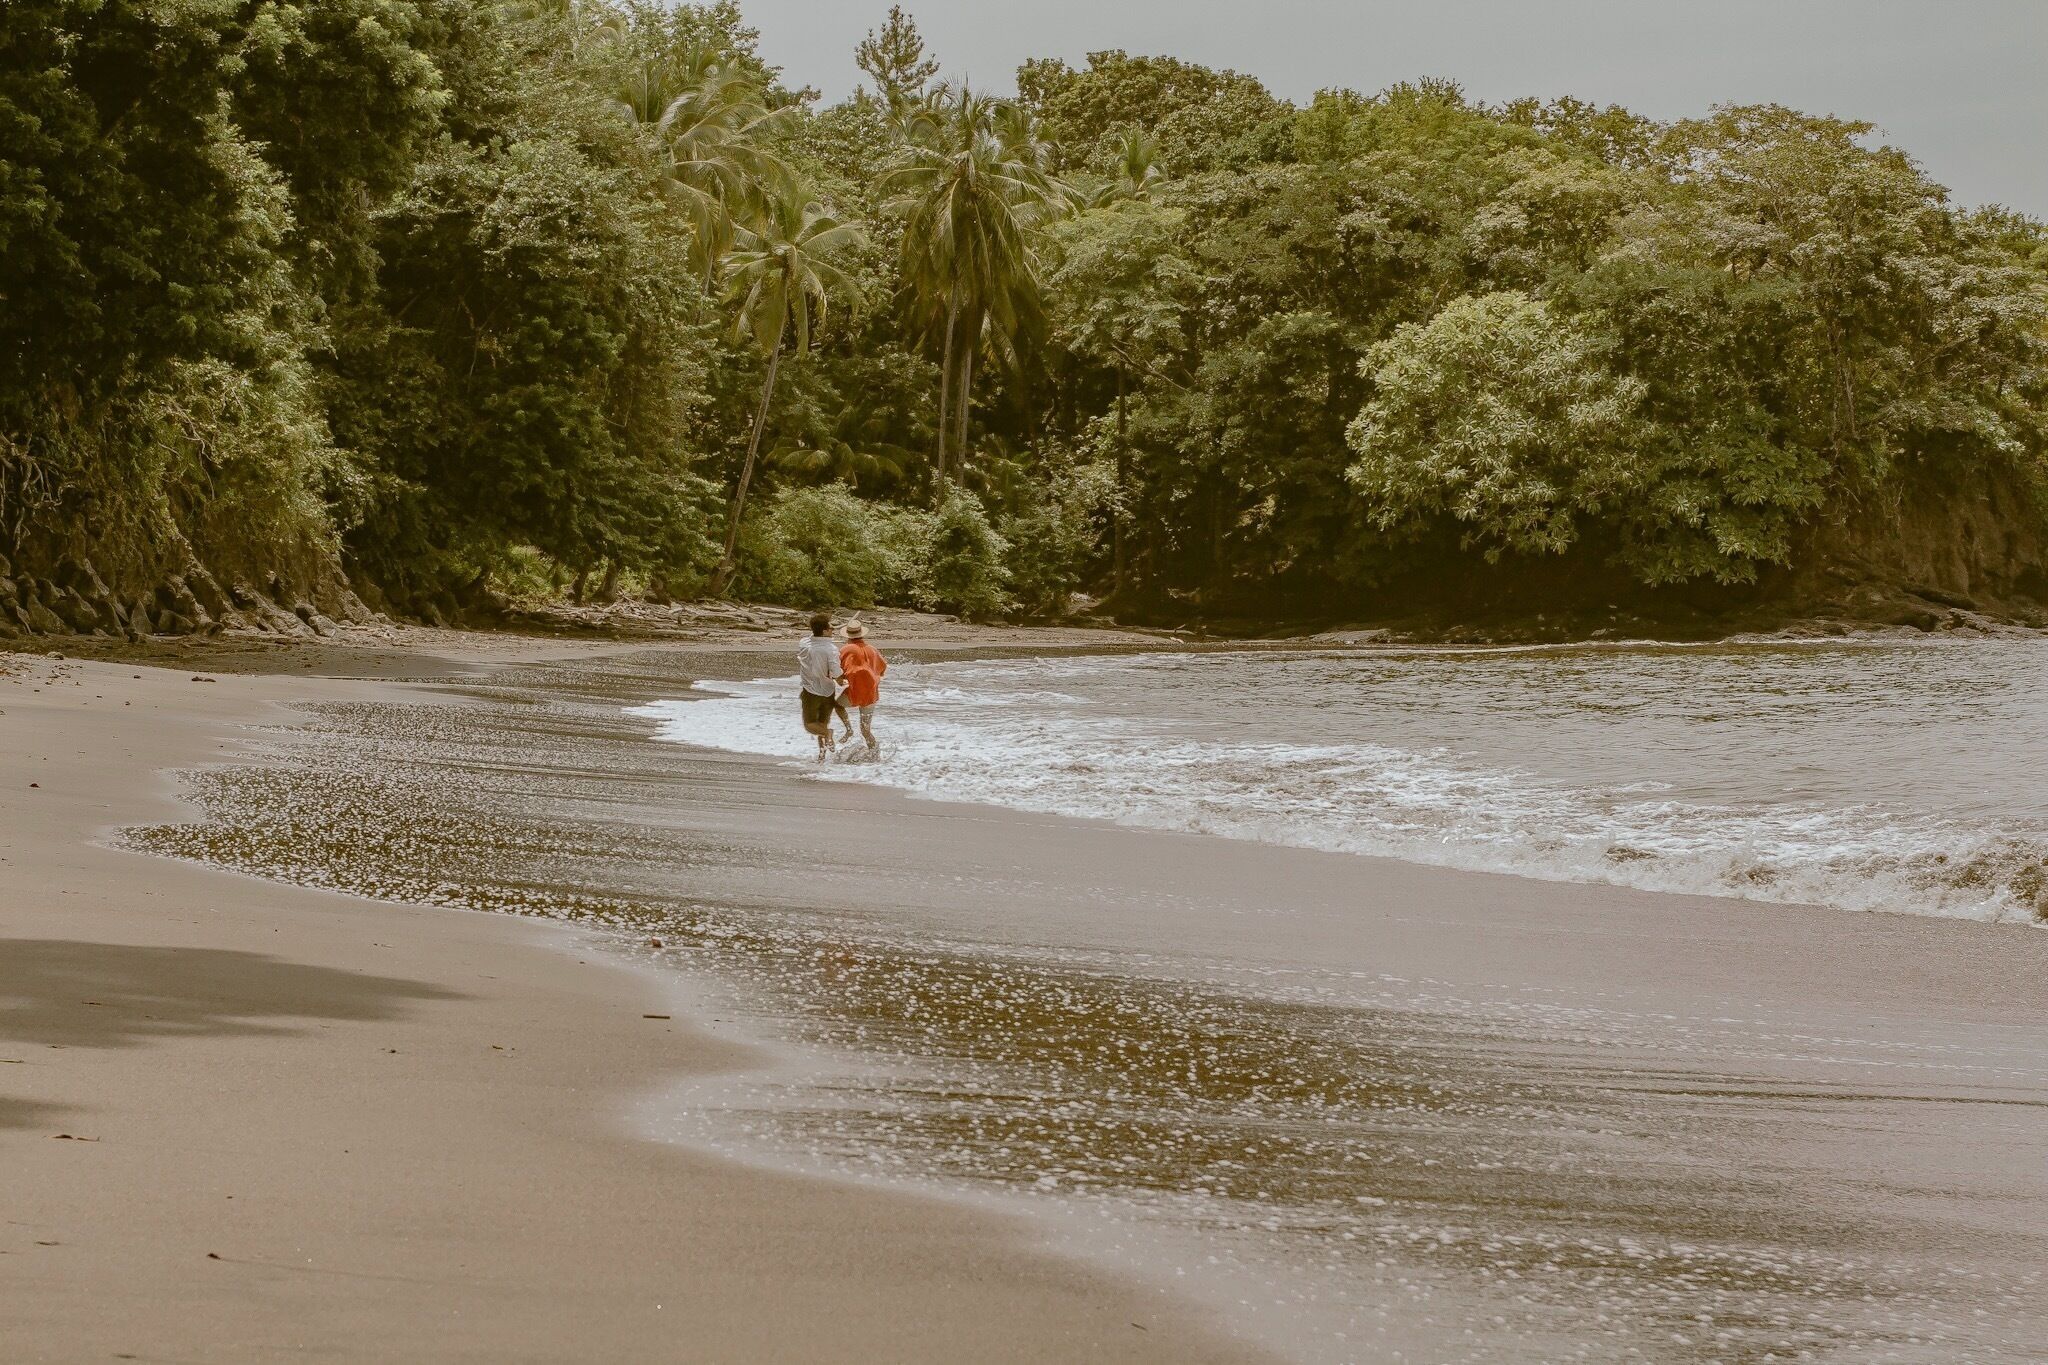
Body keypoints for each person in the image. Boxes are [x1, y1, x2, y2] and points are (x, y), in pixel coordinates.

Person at [796, 612, 850, 758]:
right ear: (825, 631)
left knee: (811, 724)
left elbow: (812, 635)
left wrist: (820, 627)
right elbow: (836, 672)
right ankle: (824, 747)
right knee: (821, 725)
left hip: (810, 691)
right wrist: (840, 680)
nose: (833, 630)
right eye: (830, 628)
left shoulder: (804, 643)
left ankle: (822, 755)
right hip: (827, 691)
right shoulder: (831, 649)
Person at [837, 619, 888, 756]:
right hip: (871, 693)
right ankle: (875, 754)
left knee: (836, 705)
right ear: (862, 634)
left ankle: (848, 729)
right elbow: (883, 668)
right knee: (866, 730)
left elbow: (838, 670)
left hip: (854, 692)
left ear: (848, 635)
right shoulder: (872, 649)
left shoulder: (845, 649)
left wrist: (839, 680)